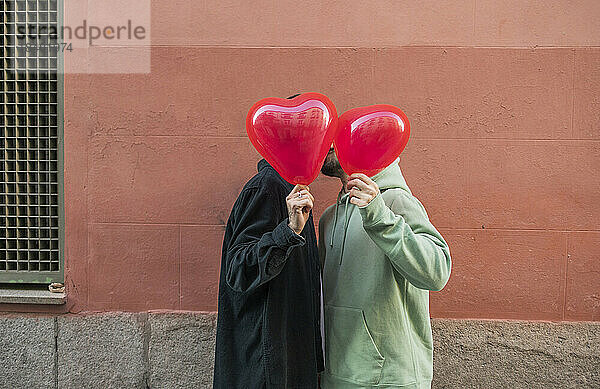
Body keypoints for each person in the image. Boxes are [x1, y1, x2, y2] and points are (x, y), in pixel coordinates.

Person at [319, 148, 451, 389]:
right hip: (337, 377)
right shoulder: (328, 218)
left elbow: (437, 271)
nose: (326, 142)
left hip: (391, 379)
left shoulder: (396, 201)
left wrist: (379, 216)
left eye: (337, 136)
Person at [213, 156, 324, 388]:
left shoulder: (292, 188)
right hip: (266, 365)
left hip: (285, 356)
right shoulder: (268, 187)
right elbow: (239, 269)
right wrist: (288, 232)